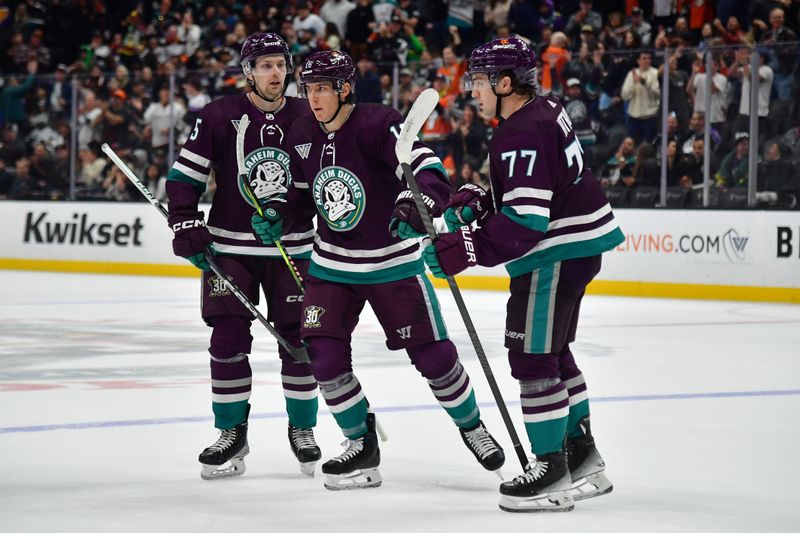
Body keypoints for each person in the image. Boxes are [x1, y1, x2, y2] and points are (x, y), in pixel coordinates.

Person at [250, 49, 505, 490]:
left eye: (323, 88)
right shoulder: (300, 130)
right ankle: (360, 442)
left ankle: (472, 427)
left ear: (345, 89)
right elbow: (301, 194)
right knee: (323, 357)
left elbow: (426, 168)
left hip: (392, 265)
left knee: (434, 357)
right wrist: (279, 212)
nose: (313, 97)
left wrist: (418, 200)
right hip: (331, 267)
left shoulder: (377, 122)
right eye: (309, 88)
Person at [421, 37, 623, 512]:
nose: (471, 89)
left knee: (532, 360)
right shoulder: (544, 111)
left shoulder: (520, 132)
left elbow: (528, 222)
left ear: (504, 82)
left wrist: (466, 247)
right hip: (577, 245)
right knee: (553, 353)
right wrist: (484, 202)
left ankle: (551, 469)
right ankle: (583, 456)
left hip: (553, 253)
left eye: (478, 79)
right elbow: (535, 191)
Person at [165, 33, 321, 480]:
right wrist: (185, 221)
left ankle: (303, 429)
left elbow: (317, 184)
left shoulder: (308, 115)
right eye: (266, 65)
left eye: (281, 64)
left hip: (290, 249)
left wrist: (291, 215)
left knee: (300, 341)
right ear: (248, 71)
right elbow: (184, 178)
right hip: (229, 249)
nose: (276, 73)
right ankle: (232, 432)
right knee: (228, 340)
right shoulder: (218, 115)